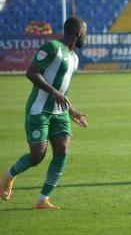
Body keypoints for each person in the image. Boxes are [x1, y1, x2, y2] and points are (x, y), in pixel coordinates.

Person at [0, 17, 89, 209]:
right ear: (78, 33)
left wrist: (71, 111)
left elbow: (63, 89)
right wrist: (53, 92)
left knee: (62, 150)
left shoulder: (74, 58)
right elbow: (31, 72)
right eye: (86, 32)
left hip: (60, 112)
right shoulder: (52, 47)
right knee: (37, 156)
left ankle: (43, 199)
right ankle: (8, 175)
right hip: (39, 109)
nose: (86, 37)